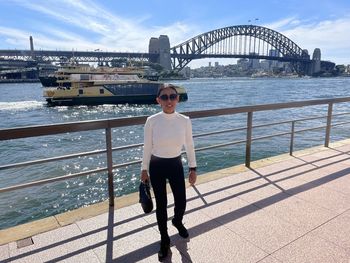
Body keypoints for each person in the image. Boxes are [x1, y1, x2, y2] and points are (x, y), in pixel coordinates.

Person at [140, 83, 197, 261]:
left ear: (177, 99)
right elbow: (147, 147)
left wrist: (193, 168)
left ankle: (177, 221)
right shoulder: (152, 120)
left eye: (172, 96)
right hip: (157, 166)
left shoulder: (184, 120)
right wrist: (144, 169)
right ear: (158, 100)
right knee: (161, 205)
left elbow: (189, 145)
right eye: (164, 97)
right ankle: (164, 239)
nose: (169, 100)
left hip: (176, 164)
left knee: (181, 200)